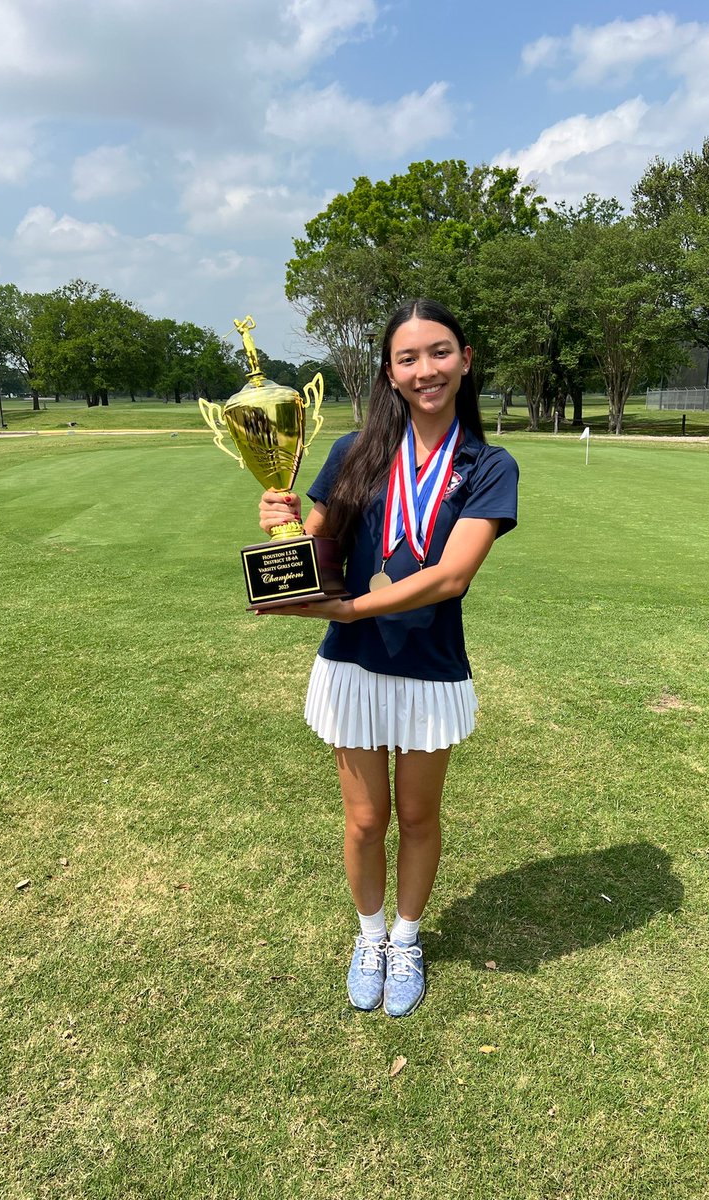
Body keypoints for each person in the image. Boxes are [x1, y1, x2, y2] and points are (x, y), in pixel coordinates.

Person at [258, 298, 518, 1017]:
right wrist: (283, 531)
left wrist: (353, 607)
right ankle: (369, 936)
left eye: (440, 352)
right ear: (390, 372)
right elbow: (320, 550)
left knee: (420, 816)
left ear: (465, 360)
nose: (426, 369)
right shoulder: (353, 453)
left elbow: (451, 576)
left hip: (430, 666)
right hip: (353, 666)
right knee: (366, 821)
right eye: (409, 357)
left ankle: (407, 939)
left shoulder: (487, 465)